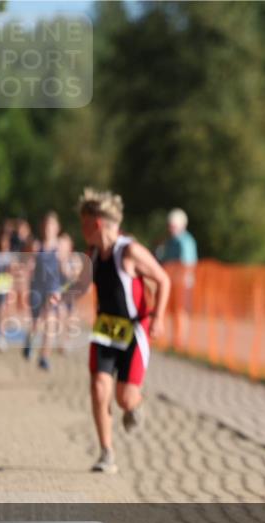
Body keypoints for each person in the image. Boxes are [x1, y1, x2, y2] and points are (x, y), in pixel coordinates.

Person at [54, 188, 171, 474]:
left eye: (83, 225)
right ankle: (107, 453)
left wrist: (158, 317)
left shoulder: (129, 251)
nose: (81, 232)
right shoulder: (94, 254)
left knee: (124, 398)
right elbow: (81, 284)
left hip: (135, 329)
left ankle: (133, 405)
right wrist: (62, 295)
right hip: (106, 329)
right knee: (97, 388)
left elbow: (163, 279)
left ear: (96, 224)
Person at [23, 212, 64, 370]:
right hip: (36, 288)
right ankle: (29, 341)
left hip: (52, 289)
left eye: (52, 225)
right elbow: (28, 264)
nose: (48, 228)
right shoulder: (36, 245)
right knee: (36, 323)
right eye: (46, 225)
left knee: (51, 321)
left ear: (57, 228)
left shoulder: (60, 246)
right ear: (42, 227)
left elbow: (64, 268)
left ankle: (44, 357)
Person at [156, 208, 197, 349]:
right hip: (172, 282)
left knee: (181, 311)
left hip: (183, 283)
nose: (170, 229)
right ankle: (175, 339)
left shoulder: (186, 241)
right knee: (174, 311)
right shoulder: (169, 242)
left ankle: (180, 341)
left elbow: (187, 264)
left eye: (173, 226)